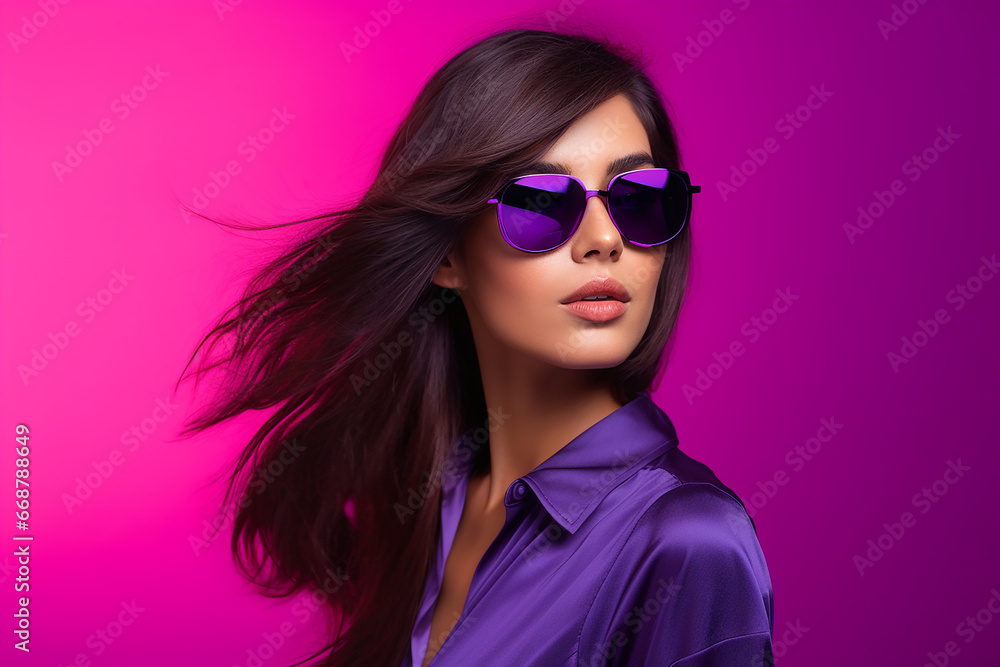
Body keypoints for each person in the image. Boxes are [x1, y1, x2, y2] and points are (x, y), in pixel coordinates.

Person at [176, 25, 774, 667]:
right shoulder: (434, 495)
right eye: (542, 204)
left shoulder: (690, 542)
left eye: (639, 200)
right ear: (450, 254)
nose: (604, 239)